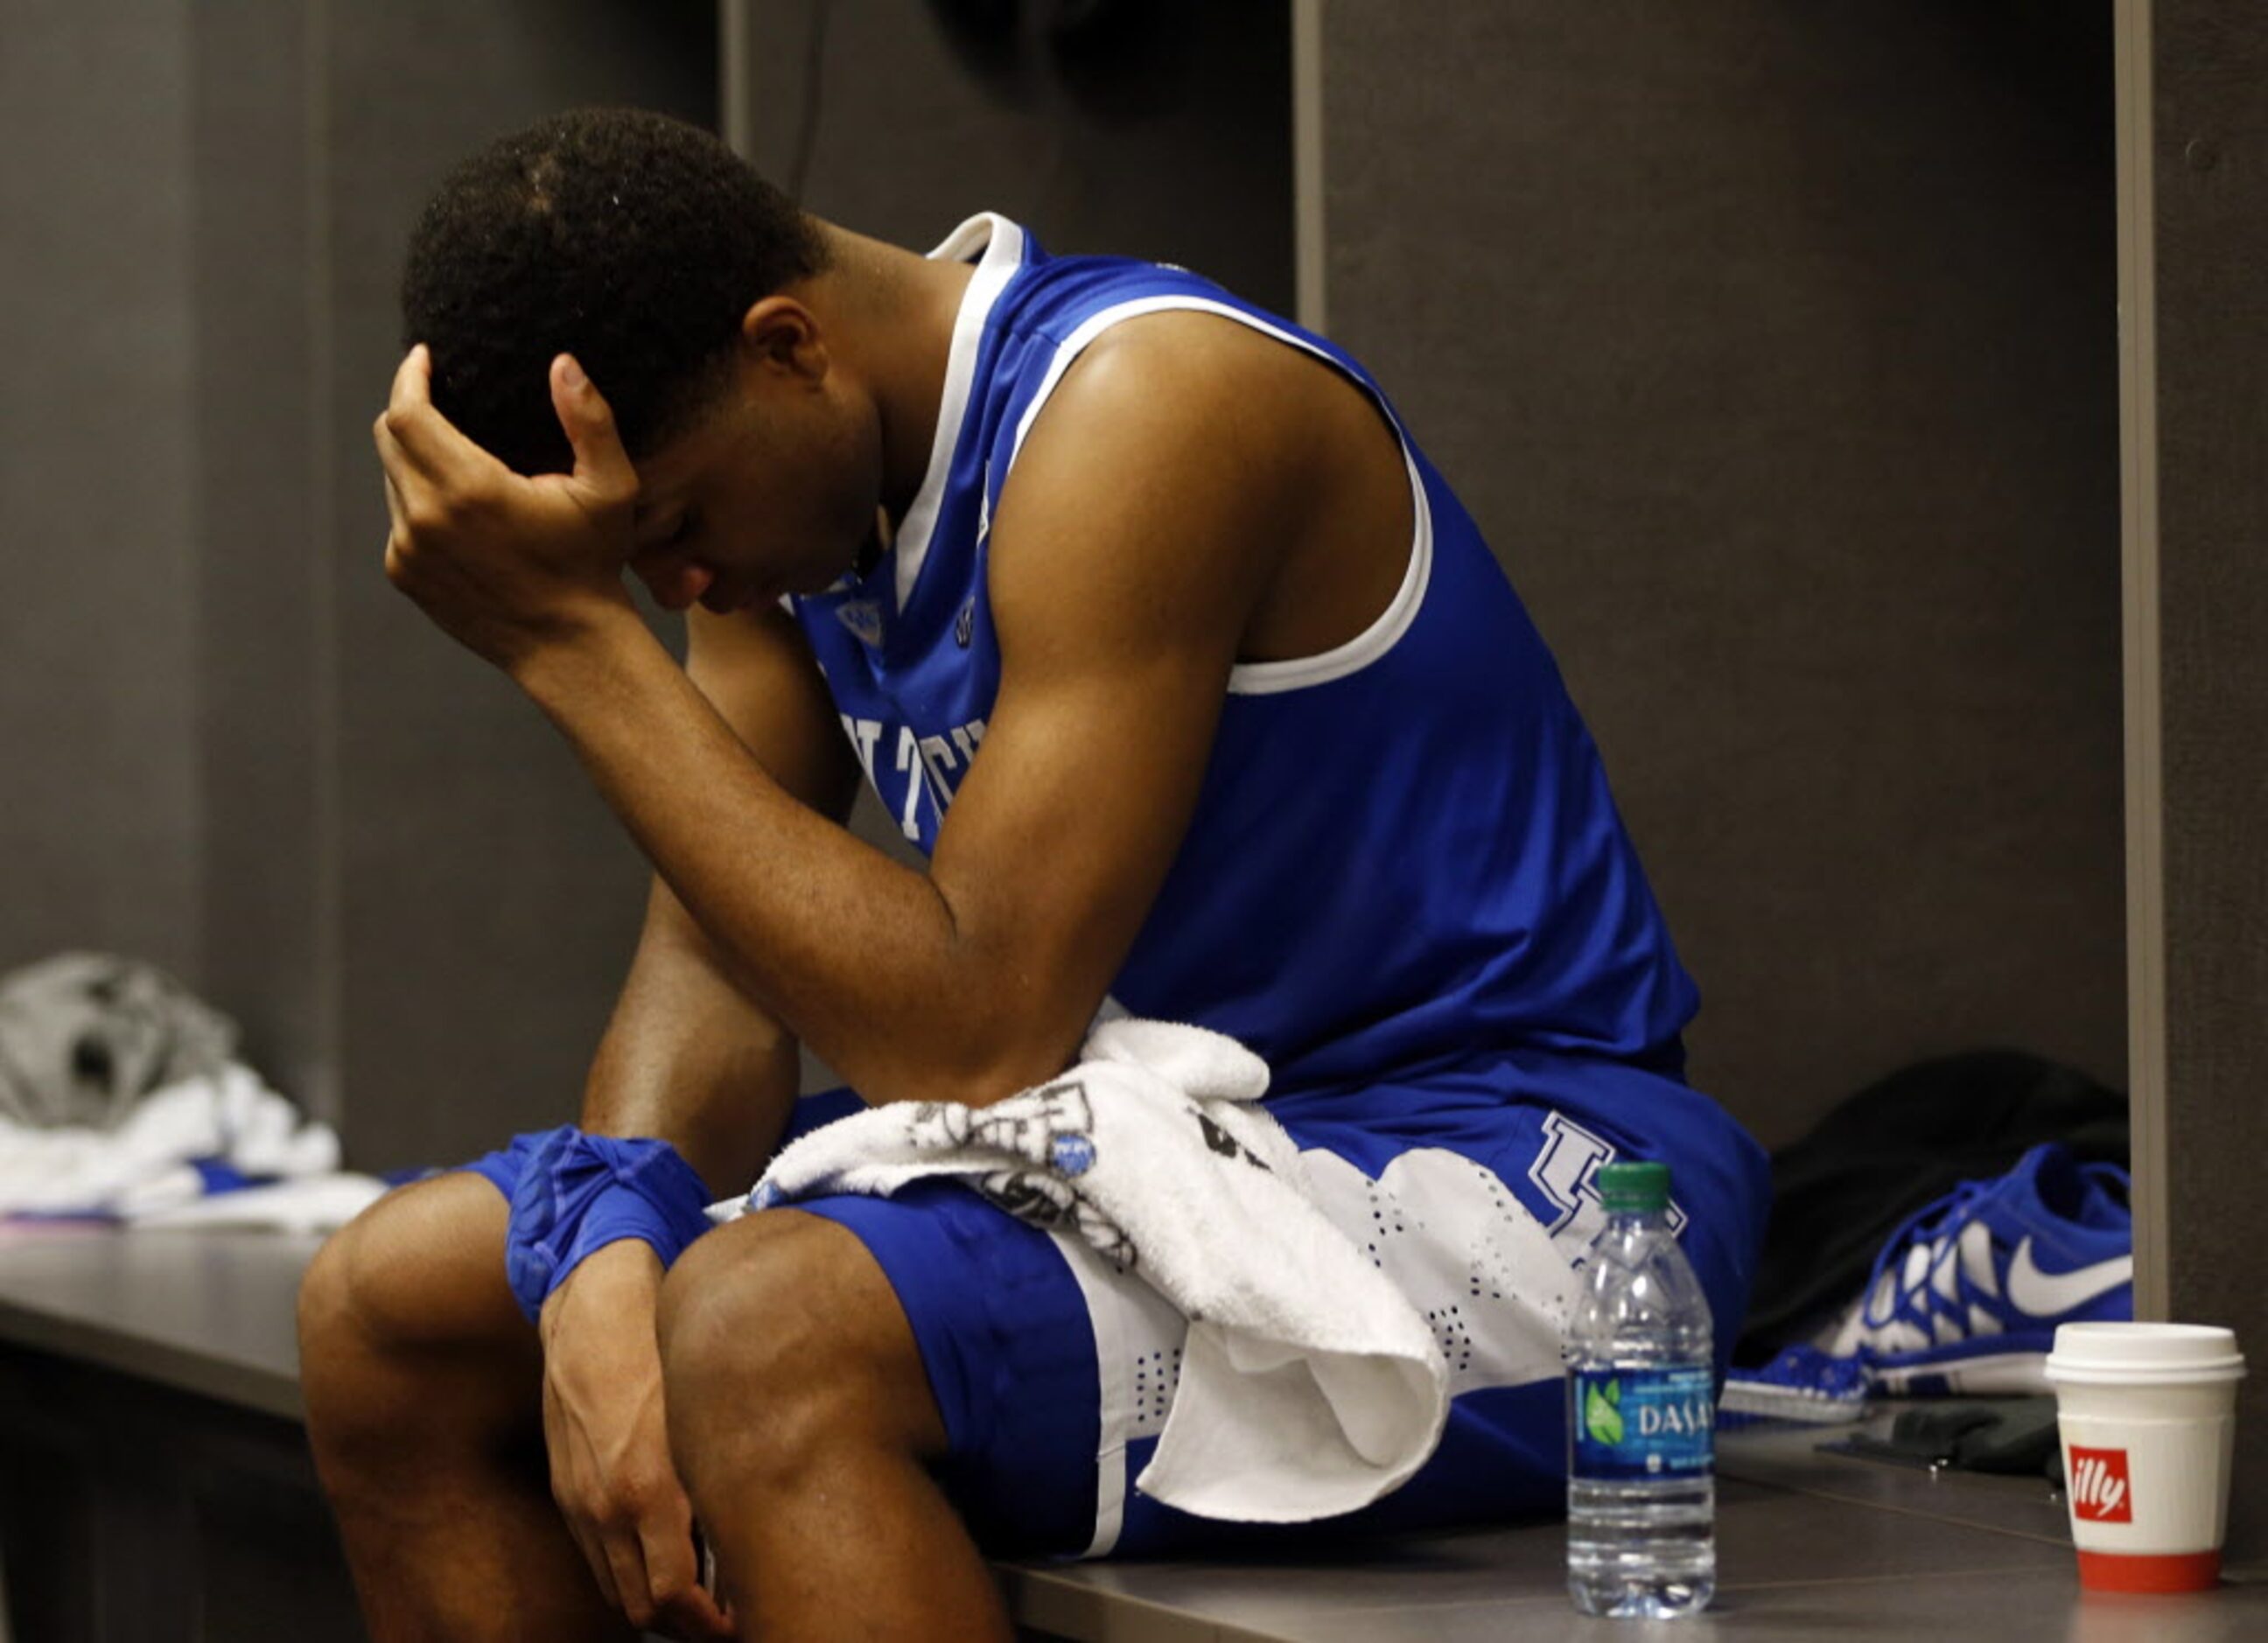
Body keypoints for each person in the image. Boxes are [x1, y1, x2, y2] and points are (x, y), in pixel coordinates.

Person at [298, 106, 1770, 1642]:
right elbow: (715, 966)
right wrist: (605, 1242)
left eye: (670, 531)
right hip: (1150, 1147)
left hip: (1534, 1171)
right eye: (632, 566)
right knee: (388, 1308)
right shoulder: (781, 518)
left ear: (789, 345)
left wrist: (571, 641)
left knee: (759, 1330)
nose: (681, 589)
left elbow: (970, 1028)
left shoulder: (1143, 406)